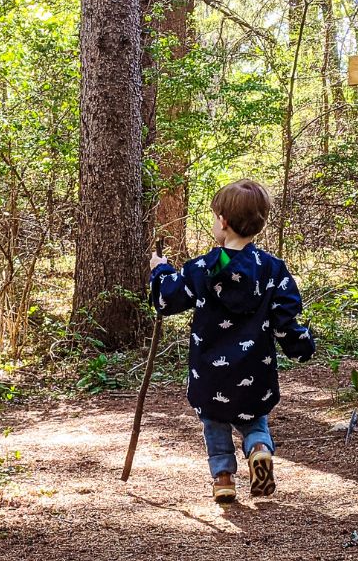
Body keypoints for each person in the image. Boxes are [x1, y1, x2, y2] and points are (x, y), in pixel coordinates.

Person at [149, 179, 315, 503]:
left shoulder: (202, 268)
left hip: (210, 375)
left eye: (214, 216)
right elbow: (285, 322)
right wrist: (302, 344)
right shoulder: (272, 269)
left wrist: (160, 271)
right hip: (256, 371)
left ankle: (224, 478)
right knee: (254, 419)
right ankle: (259, 451)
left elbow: (167, 300)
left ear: (223, 222)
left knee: (214, 421)